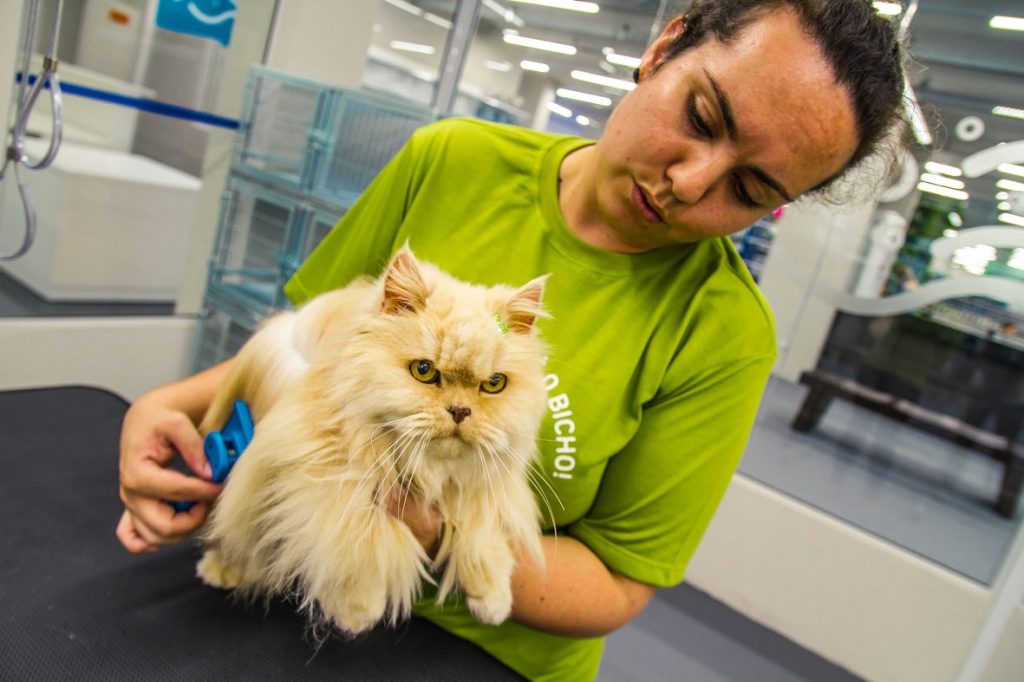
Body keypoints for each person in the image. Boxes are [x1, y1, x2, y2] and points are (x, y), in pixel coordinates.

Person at [116, 1, 907, 679]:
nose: (690, 182)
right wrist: (170, 404)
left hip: (483, 653)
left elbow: (617, 587)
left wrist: (431, 521)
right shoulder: (451, 160)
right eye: (702, 118)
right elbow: (304, 353)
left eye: (749, 190)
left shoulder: (725, 332)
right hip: (303, 579)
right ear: (664, 49)